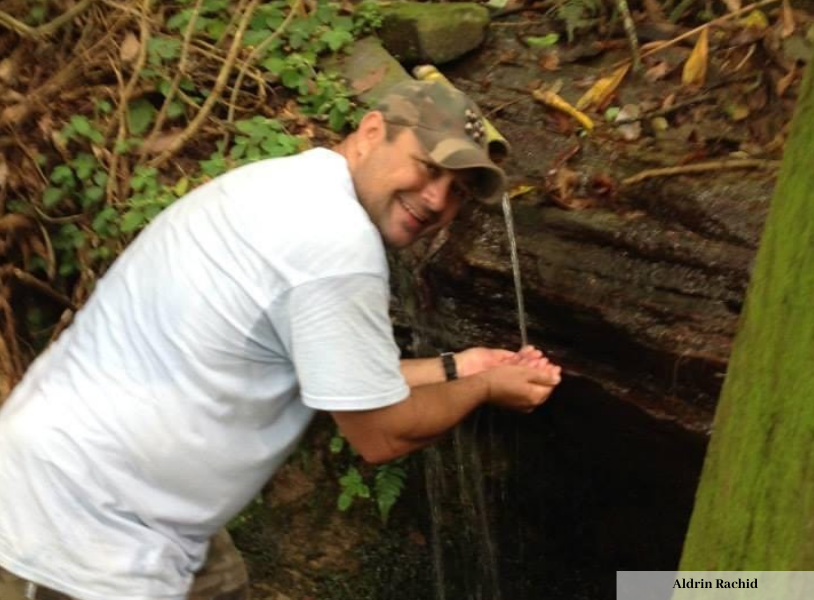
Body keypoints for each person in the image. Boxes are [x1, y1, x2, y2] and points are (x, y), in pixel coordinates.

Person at [0, 79, 561, 600]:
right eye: (427, 167)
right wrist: (486, 389)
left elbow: (334, 376)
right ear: (371, 134)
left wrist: (456, 367)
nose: (438, 200)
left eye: (458, 191)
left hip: (109, 489)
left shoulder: (288, 183)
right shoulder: (335, 247)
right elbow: (383, 433)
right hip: (77, 526)